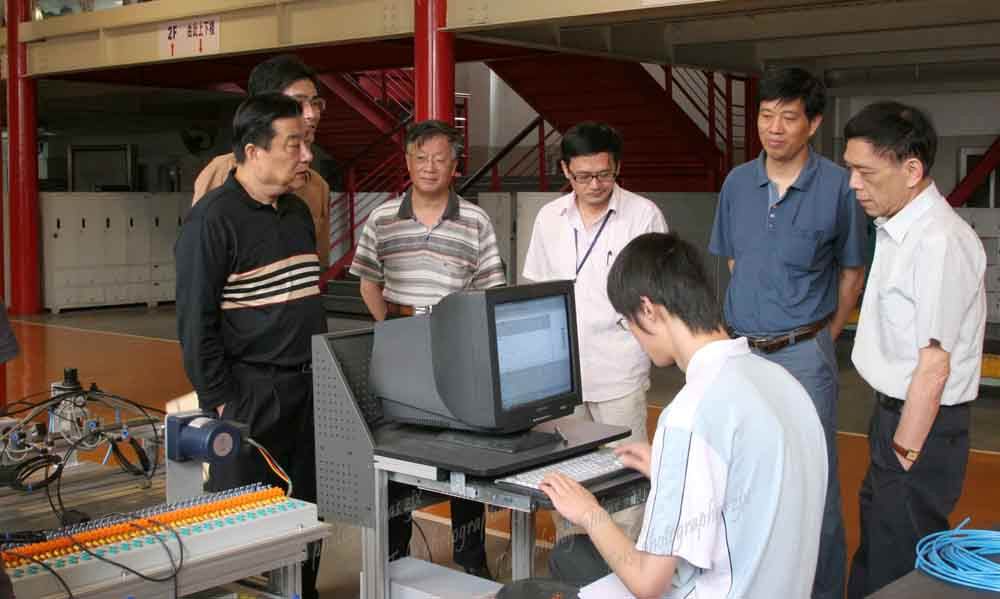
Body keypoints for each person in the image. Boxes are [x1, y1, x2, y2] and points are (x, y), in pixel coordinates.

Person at [538, 232, 827, 598]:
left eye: (627, 322)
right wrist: (671, 469)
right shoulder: (785, 384)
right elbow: (753, 487)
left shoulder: (690, 414)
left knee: (569, 555)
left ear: (648, 310)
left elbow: (647, 582)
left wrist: (588, 512)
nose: (634, 336)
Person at [708, 66, 867, 599]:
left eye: (788, 117)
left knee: (812, 481)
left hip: (804, 355)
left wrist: (821, 337)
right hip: (740, 352)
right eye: (766, 115)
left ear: (813, 123)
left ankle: (821, 592)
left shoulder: (840, 187)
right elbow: (737, 262)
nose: (774, 128)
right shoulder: (737, 183)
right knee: (741, 478)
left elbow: (851, 274)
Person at [175, 93, 327, 599]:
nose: (306, 155)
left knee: (305, 514)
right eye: (293, 144)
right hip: (250, 395)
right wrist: (222, 401)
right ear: (254, 151)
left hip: (307, 390)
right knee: (245, 523)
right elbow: (195, 324)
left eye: (306, 143)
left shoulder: (297, 212)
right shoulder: (211, 221)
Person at [349, 119, 506, 577]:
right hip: (401, 342)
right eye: (421, 158)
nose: (430, 167)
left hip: (458, 343)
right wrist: (391, 330)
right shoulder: (382, 218)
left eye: (440, 159)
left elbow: (490, 289)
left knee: (465, 449)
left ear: (455, 165)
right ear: (407, 162)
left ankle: (471, 557)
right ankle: (395, 556)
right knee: (399, 447)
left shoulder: (475, 220)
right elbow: (368, 282)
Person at [844, 102, 985, 597]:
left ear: (911, 170)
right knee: (879, 549)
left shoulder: (939, 242)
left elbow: (934, 365)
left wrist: (903, 454)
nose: (854, 184)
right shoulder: (899, 228)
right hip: (895, 418)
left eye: (865, 172)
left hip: (920, 428)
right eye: (850, 170)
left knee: (898, 565)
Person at [522, 121, 666, 538]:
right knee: (564, 475)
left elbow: (657, 294)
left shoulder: (643, 215)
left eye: (604, 174)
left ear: (617, 166)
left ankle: (625, 562)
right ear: (565, 170)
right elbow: (537, 291)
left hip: (619, 370)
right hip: (561, 376)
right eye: (583, 176)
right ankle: (572, 560)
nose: (595, 185)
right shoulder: (549, 218)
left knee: (625, 475)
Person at [193, 54, 332, 267]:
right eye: (298, 103)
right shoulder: (223, 171)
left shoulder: (317, 187)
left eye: (315, 103)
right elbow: (201, 260)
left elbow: (316, 263)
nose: (311, 114)